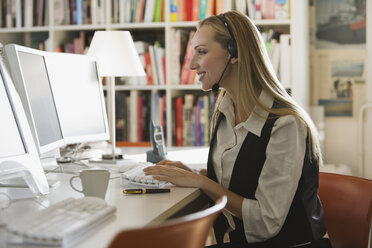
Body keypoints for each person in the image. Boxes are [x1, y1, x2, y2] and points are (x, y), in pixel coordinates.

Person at [144, 10, 330, 248]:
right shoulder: (225, 110)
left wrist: (202, 183)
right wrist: (194, 174)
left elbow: (266, 221)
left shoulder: (285, 124)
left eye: (202, 52)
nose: (191, 64)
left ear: (234, 53)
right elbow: (238, 180)